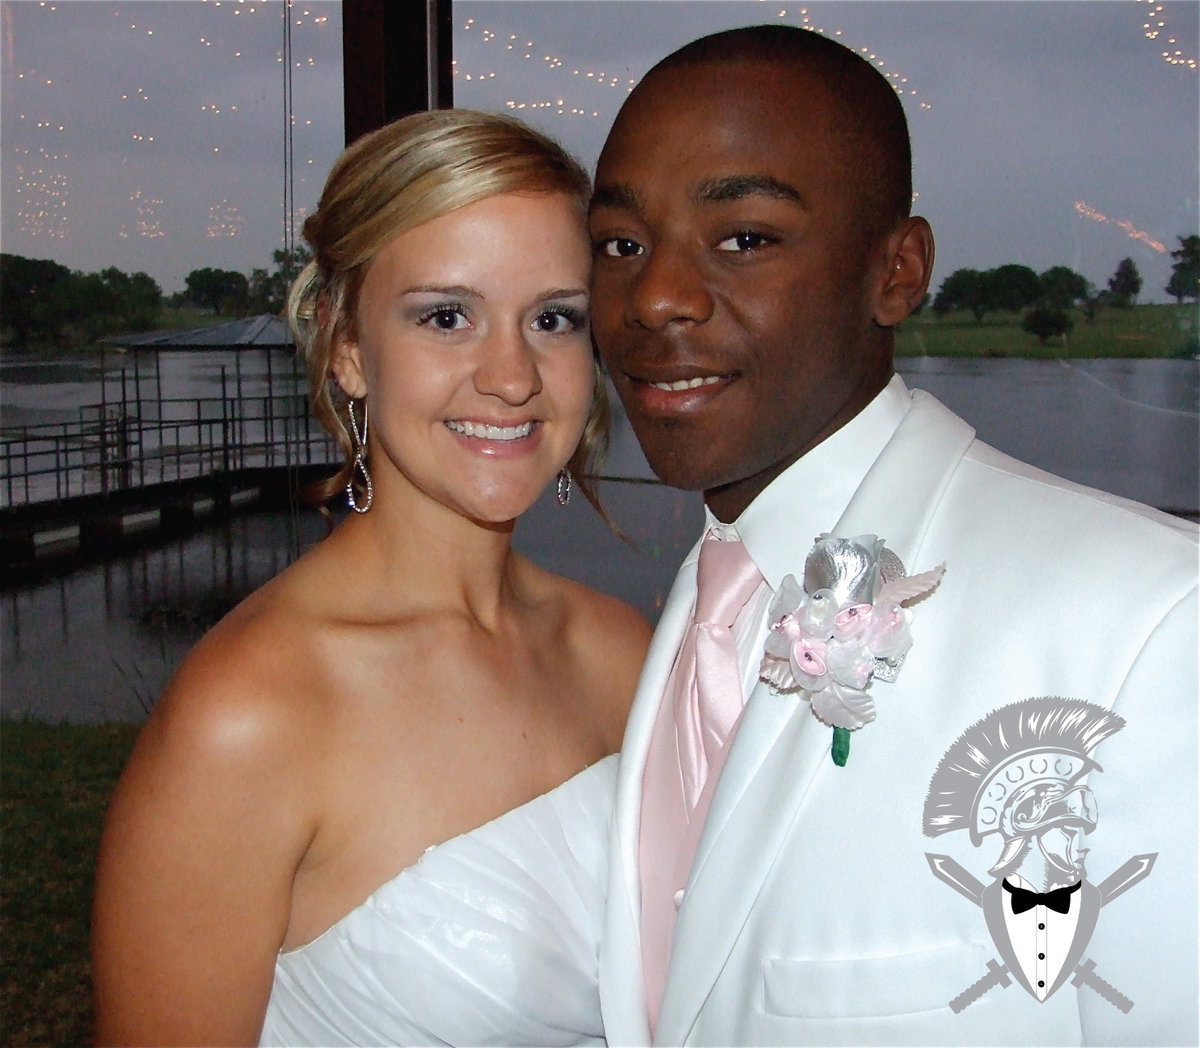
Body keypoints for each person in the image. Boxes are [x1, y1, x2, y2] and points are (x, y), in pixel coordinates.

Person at [587, 24, 1197, 1046]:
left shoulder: (1146, 626)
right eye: (620, 245)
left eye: (745, 237)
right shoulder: (701, 598)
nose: (654, 298)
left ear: (898, 272)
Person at [91, 108, 652, 1047]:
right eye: (446, 316)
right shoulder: (251, 716)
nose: (513, 375)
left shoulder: (625, 650)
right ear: (347, 346)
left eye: (554, 318)